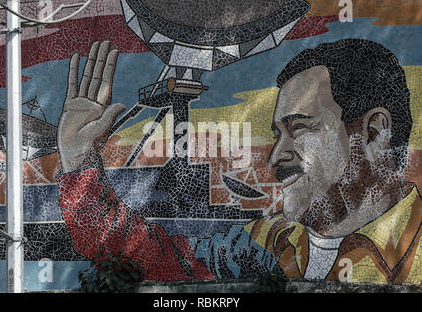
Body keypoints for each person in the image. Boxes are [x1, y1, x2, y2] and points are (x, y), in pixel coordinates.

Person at [55, 39, 421, 284]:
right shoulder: (267, 240)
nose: (278, 154)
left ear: (374, 133)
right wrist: (79, 162)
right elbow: (145, 257)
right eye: (278, 133)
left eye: (301, 128)